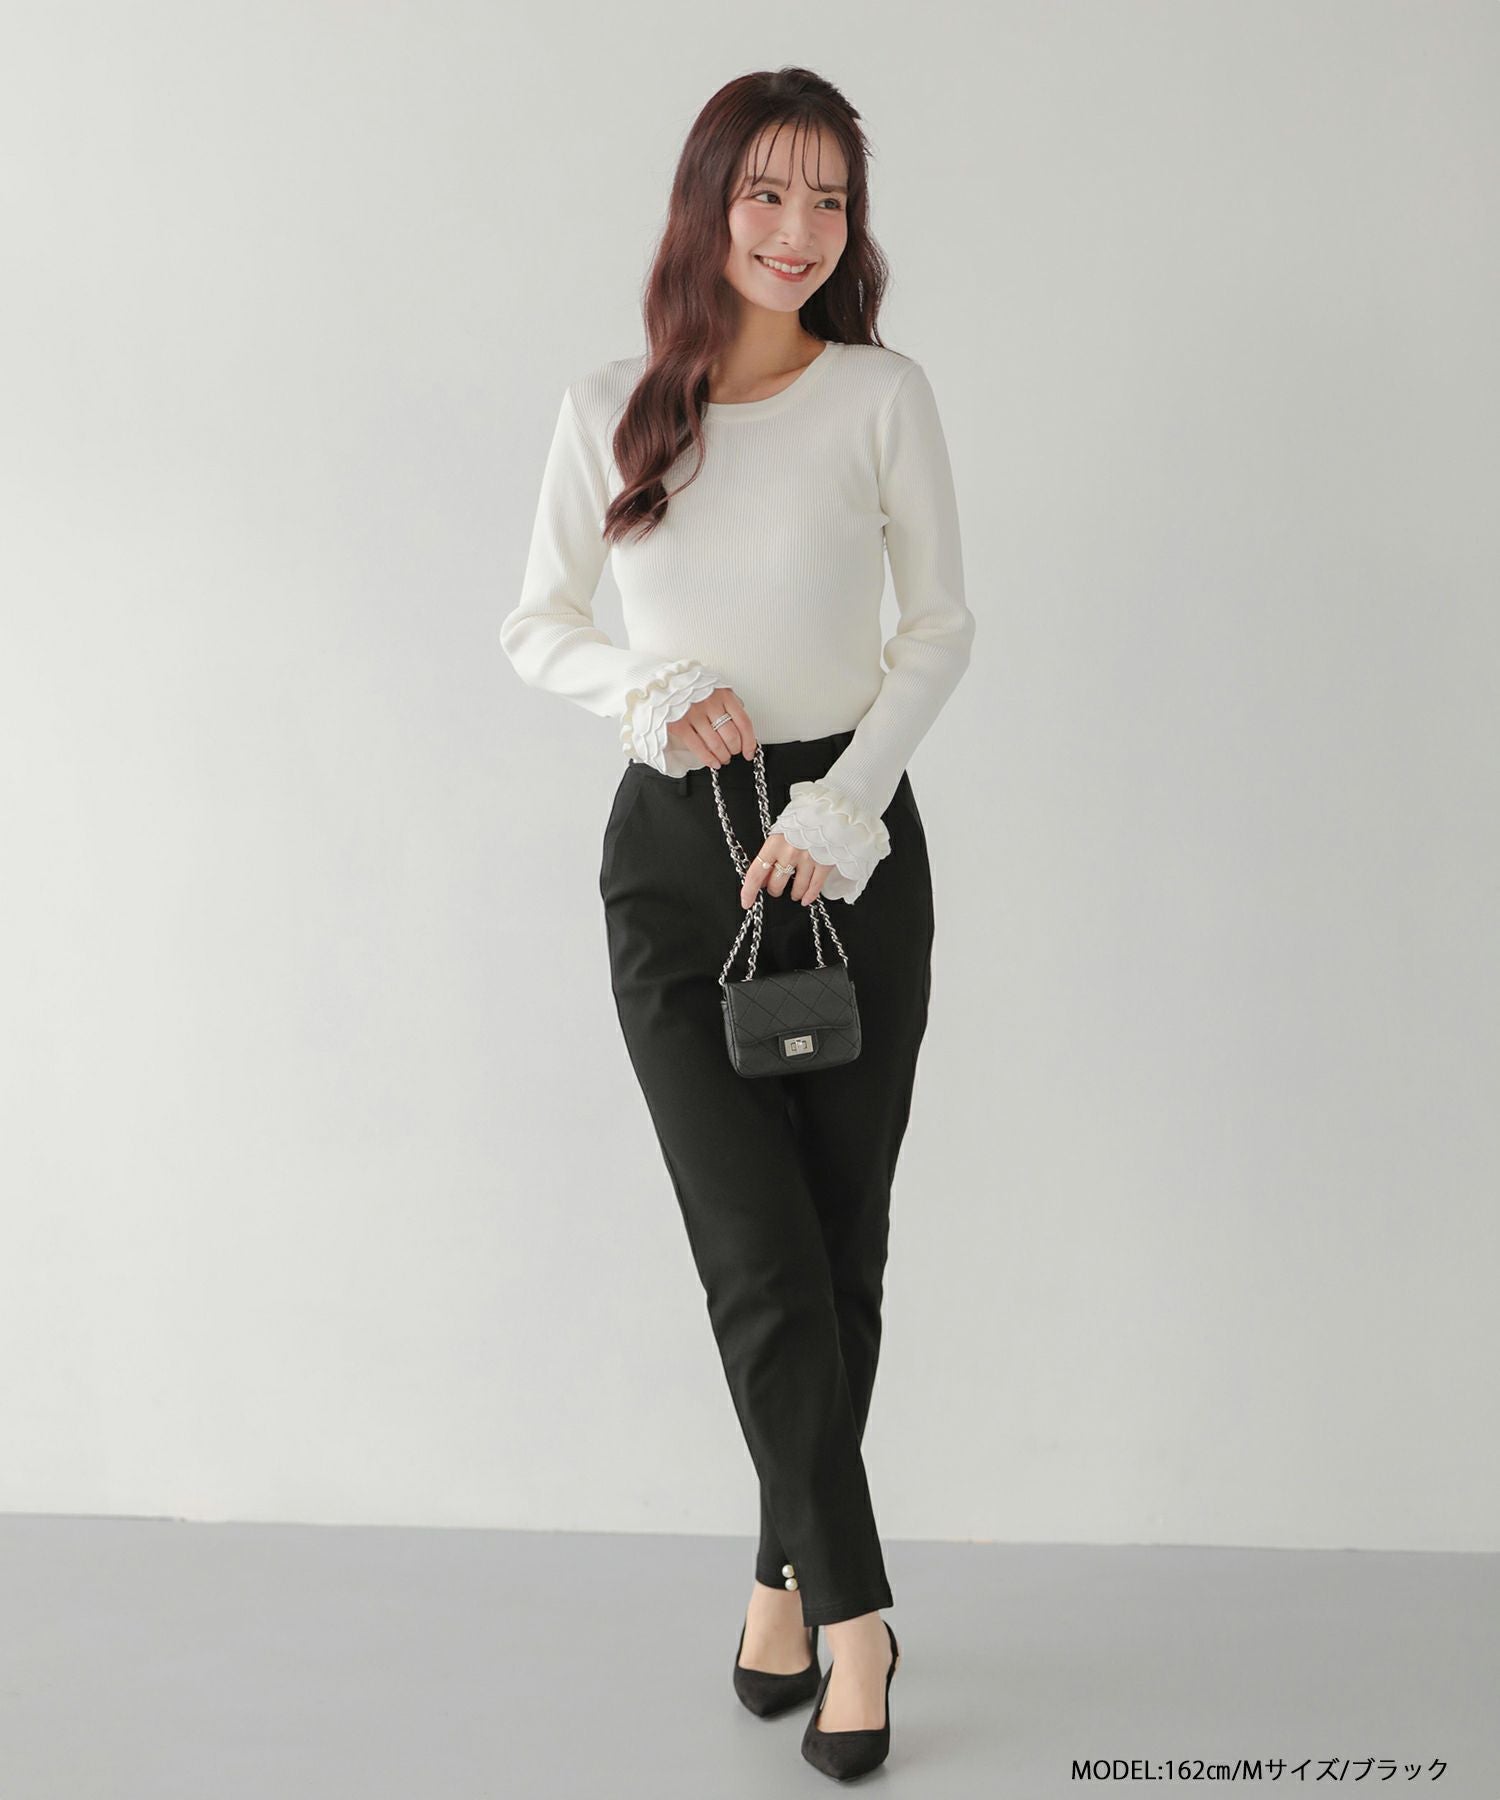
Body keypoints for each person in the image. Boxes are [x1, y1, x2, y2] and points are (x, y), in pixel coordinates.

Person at [500, 66, 974, 1781]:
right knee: (756, 1259)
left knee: (838, 1253)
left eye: (829, 200)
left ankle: (782, 1585)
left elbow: (939, 629)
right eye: (766, 192)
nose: (797, 230)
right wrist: (648, 687)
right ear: (708, 203)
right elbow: (538, 623)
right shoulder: (611, 408)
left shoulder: (880, 396)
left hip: (849, 858)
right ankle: (860, 1623)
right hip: (676, 866)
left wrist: (850, 805)